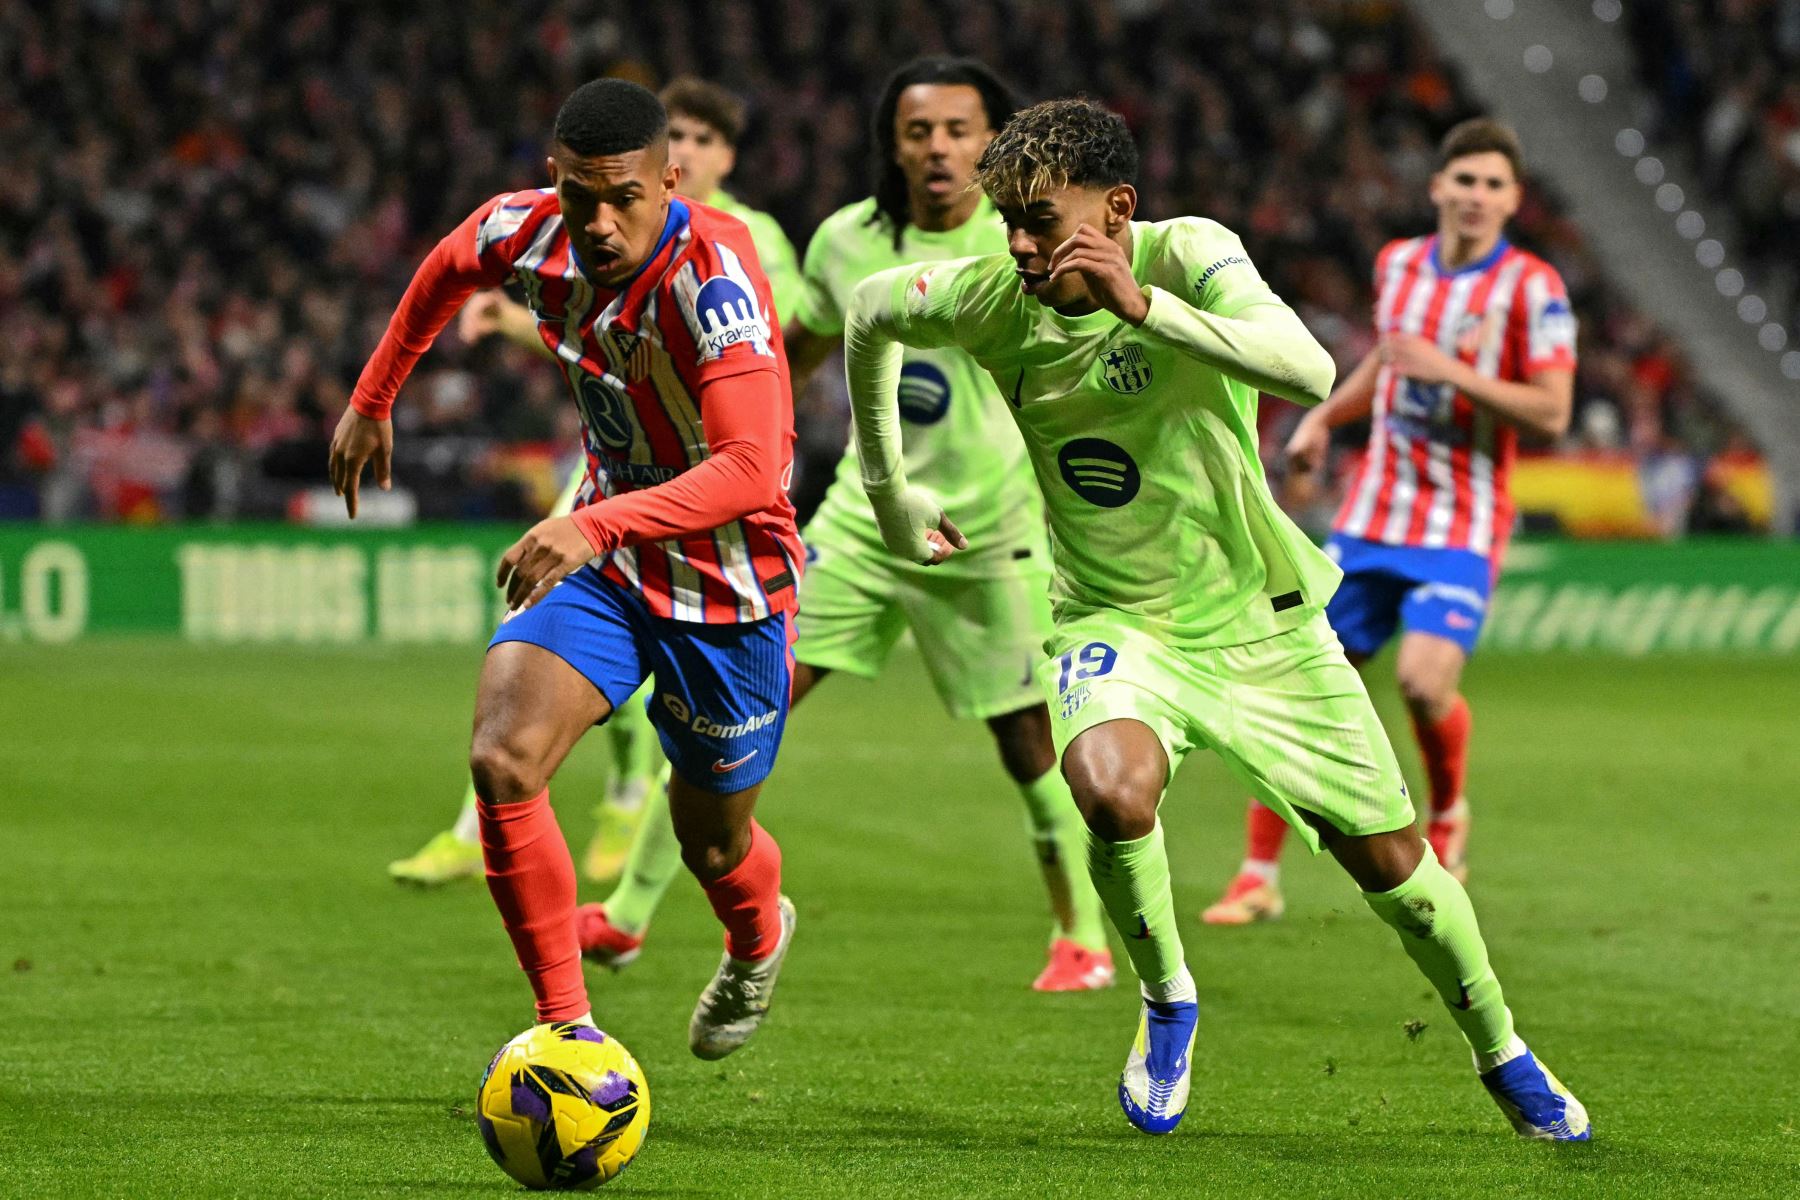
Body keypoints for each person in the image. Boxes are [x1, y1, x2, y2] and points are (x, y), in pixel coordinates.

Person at [841, 97, 1589, 1140]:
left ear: (1118, 209)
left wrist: (1142, 306)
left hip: (1263, 624)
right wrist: (890, 492)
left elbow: (1310, 370)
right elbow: (872, 314)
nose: (1018, 243)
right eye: (1007, 218)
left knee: (1396, 874)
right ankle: (1166, 998)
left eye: (1042, 221)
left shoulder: (1191, 256)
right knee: (1107, 786)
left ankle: (1502, 1047)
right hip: (1117, 620)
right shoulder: (988, 299)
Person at [573, 56, 1115, 993]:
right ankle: (625, 917)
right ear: (892, 144)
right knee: (740, 698)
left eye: (958, 129)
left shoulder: (1027, 239)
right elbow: (796, 353)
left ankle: (1081, 936)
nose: (938, 148)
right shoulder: (845, 242)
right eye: (919, 131)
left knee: (1029, 738)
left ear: (994, 140)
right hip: (861, 521)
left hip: (989, 526)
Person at [330, 79, 801, 1058]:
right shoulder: (528, 228)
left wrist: (597, 526)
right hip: (615, 556)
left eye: (623, 196)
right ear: (555, 180)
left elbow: (754, 469)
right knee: (504, 758)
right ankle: (567, 1031)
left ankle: (757, 941)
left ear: (669, 180)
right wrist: (373, 398)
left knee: (712, 842)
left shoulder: (714, 278)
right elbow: (445, 267)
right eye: (578, 195)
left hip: (728, 578)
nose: (597, 221)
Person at [1202, 118, 1575, 925]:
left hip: (1463, 521)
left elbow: (1550, 412)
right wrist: (1323, 419)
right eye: (1464, 181)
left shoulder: (1534, 289)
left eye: (1493, 186)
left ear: (1513, 201)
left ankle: (1447, 818)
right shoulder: (1399, 263)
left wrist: (1454, 373)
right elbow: (1388, 358)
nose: (1476, 197)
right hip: (1373, 515)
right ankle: (1257, 873)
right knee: (1300, 685)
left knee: (1421, 681)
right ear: (1438, 187)